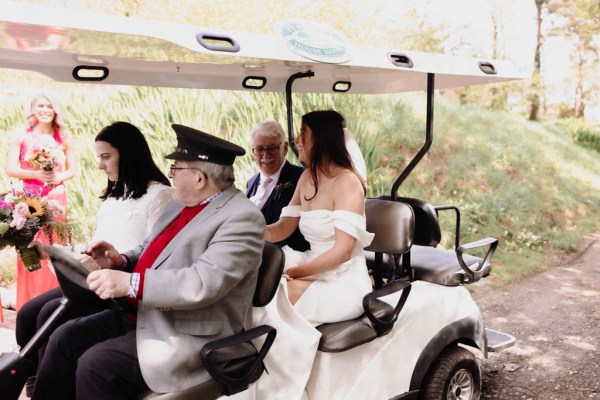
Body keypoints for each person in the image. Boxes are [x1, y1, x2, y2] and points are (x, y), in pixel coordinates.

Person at [31, 124, 265, 400]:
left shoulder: (241, 218)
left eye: (176, 168)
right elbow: (151, 247)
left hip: (189, 331)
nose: (170, 174)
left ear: (200, 178)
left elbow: (204, 282)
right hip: (148, 314)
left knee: (97, 365)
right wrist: (121, 260)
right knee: (64, 338)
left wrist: (130, 283)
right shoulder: (183, 203)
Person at [14, 121, 173, 381]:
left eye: (106, 157)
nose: (100, 165)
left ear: (129, 153)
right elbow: (97, 242)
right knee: (27, 313)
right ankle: (29, 376)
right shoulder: (113, 195)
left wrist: (116, 263)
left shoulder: (160, 196)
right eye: (99, 157)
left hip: (117, 284)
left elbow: (153, 253)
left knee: (47, 314)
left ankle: (47, 380)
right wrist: (50, 251)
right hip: (90, 277)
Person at [250, 110, 374, 399]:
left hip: (343, 281)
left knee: (274, 297)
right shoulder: (307, 177)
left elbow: (342, 252)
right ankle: (257, 380)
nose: (296, 141)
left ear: (320, 138)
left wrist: (291, 273)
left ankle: (285, 391)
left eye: (302, 134)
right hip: (313, 267)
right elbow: (282, 228)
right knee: (254, 283)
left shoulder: (348, 183)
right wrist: (246, 233)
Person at [6, 91, 77, 311]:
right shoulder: (22, 134)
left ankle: (55, 302)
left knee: (54, 247)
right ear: (33, 109)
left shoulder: (63, 135)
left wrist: (58, 177)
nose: (45, 110)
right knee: (29, 249)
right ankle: (29, 303)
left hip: (56, 197)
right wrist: (36, 174)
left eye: (49, 106)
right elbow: (10, 169)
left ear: (55, 109)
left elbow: (73, 169)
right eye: (41, 106)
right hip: (28, 201)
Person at [246, 120, 309, 251]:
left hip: (286, 257)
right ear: (253, 151)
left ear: (285, 148)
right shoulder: (251, 182)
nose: (265, 155)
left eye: (272, 148)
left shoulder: (301, 177)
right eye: (259, 149)